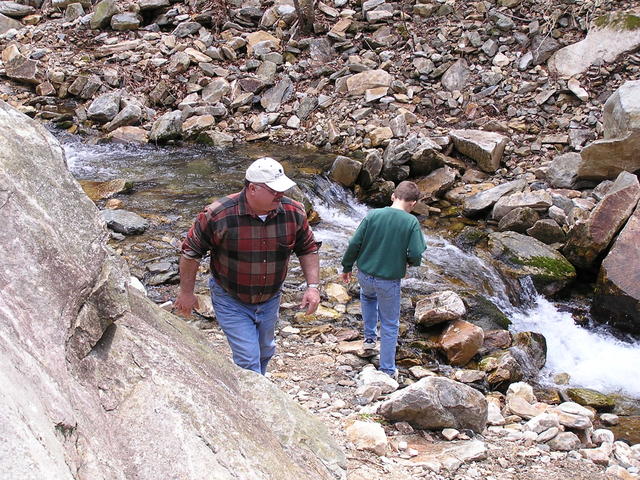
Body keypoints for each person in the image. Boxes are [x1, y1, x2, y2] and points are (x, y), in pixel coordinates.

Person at [174, 157, 321, 375]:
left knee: (265, 351)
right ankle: (255, 402)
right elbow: (191, 253)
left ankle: (255, 391)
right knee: (248, 358)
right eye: (274, 191)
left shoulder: (293, 212)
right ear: (253, 188)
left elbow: (308, 248)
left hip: (271, 297)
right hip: (230, 297)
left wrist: (313, 286)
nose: (280, 195)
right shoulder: (218, 214)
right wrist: (186, 293)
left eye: (282, 190)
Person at [341, 181, 426, 378]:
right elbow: (415, 252)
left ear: (392, 196)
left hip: (364, 274)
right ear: (413, 204)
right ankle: (387, 369)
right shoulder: (411, 222)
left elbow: (355, 243)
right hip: (388, 280)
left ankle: (369, 339)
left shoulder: (372, 215)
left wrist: (346, 266)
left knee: (368, 299)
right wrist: (409, 262)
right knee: (389, 323)